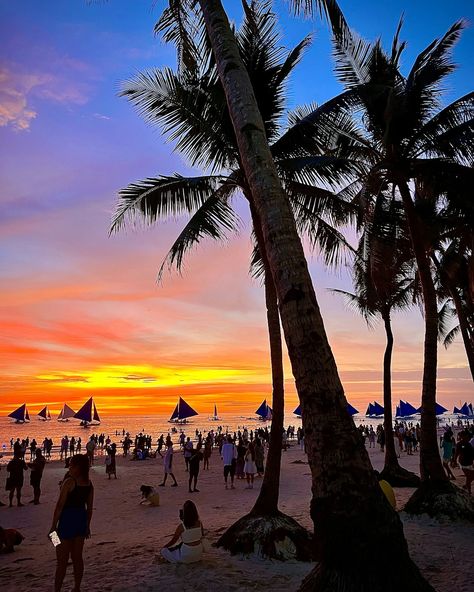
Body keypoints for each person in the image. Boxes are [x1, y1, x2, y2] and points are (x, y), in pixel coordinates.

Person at [49, 454, 94, 592]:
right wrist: (87, 526)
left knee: (61, 561)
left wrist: (52, 527)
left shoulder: (69, 482)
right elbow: (89, 508)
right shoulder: (89, 484)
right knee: (77, 558)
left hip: (66, 521)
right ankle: (77, 587)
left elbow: (59, 506)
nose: (69, 467)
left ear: (78, 468)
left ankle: (57, 590)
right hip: (80, 521)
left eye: (71, 465)